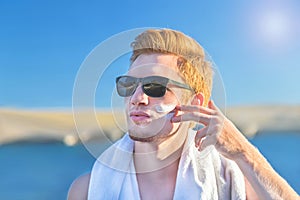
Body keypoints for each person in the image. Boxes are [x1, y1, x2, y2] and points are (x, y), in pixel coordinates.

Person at [68, 28, 299, 200]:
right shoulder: (87, 190)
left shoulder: (229, 182)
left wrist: (243, 153)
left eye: (155, 87)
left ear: (195, 103)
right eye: (129, 85)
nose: (137, 98)